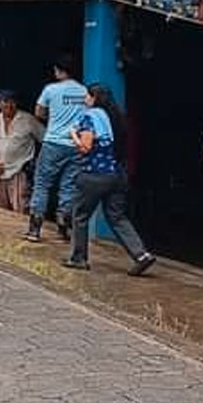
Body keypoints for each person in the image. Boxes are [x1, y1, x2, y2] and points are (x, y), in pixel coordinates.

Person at [62, 83, 157, 275]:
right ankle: (141, 254)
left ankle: (78, 258)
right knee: (117, 216)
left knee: (79, 216)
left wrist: (73, 134)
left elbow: (85, 147)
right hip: (116, 174)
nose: (84, 99)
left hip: (94, 174)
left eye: (87, 96)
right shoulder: (113, 117)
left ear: (94, 98)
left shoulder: (89, 117)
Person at [24, 53, 88, 243]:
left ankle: (35, 229)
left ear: (60, 71)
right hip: (75, 145)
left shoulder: (51, 89)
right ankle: (63, 228)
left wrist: (55, 118)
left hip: (53, 143)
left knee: (42, 184)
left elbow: (39, 112)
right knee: (68, 185)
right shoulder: (84, 91)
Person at [0, 90, 43, 214]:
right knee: (0, 211)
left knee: (20, 210)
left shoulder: (28, 119)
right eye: (5, 101)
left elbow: (46, 140)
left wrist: (38, 161)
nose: (9, 105)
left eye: (12, 102)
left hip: (19, 172)